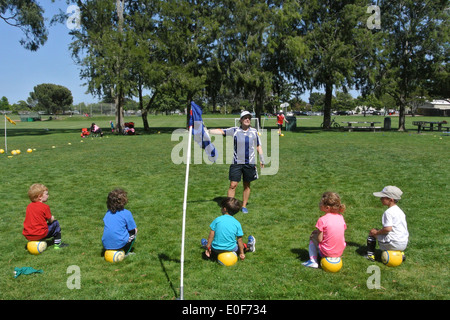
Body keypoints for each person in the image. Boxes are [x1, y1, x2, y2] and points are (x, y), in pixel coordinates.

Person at [209, 111, 265, 214]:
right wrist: (207, 131)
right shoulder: (234, 130)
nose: (247, 119)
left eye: (249, 118)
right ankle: (229, 206)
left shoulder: (254, 131)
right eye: (245, 118)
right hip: (236, 163)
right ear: (241, 120)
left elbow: (258, 146)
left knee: (247, 185)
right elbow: (221, 131)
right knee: (233, 185)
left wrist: (262, 159)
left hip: (250, 163)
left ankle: (243, 206)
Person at [201, 197, 255, 261]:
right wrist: (242, 253)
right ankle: (249, 247)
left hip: (216, 249)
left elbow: (211, 234)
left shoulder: (217, 220)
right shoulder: (237, 223)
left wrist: (208, 247)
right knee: (237, 244)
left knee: (214, 243)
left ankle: (207, 245)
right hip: (231, 249)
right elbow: (239, 240)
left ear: (224, 209)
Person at [302, 192, 347, 268]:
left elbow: (320, 239)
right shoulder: (340, 217)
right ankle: (333, 254)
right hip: (339, 252)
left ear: (327, 208)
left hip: (326, 252)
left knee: (313, 236)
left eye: (321, 203)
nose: (319, 204)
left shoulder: (322, 220)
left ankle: (313, 261)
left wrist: (317, 234)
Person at [366, 186, 409, 261]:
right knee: (380, 233)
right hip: (403, 243)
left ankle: (370, 255)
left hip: (393, 243)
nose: (380, 199)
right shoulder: (400, 211)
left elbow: (387, 229)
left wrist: (377, 232)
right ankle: (400, 253)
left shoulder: (388, 212)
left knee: (372, 232)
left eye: (383, 197)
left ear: (391, 200)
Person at [23, 183, 68, 249]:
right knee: (56, 223)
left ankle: (34, 241)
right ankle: (58, 244)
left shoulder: (29, 206)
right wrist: (52, 218)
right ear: (40, 196)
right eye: (46, 194)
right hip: (40, 234)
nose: (48, 195)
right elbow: (50, 221)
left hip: (28, 234)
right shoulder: (45, 207)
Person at [102, 188, 137, 256]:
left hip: (106, 243)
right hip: (119, 242)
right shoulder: (126, 213)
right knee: (134, 231)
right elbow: (132, 228)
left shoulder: (108, 212)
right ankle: (126, 252)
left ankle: (112, 246)